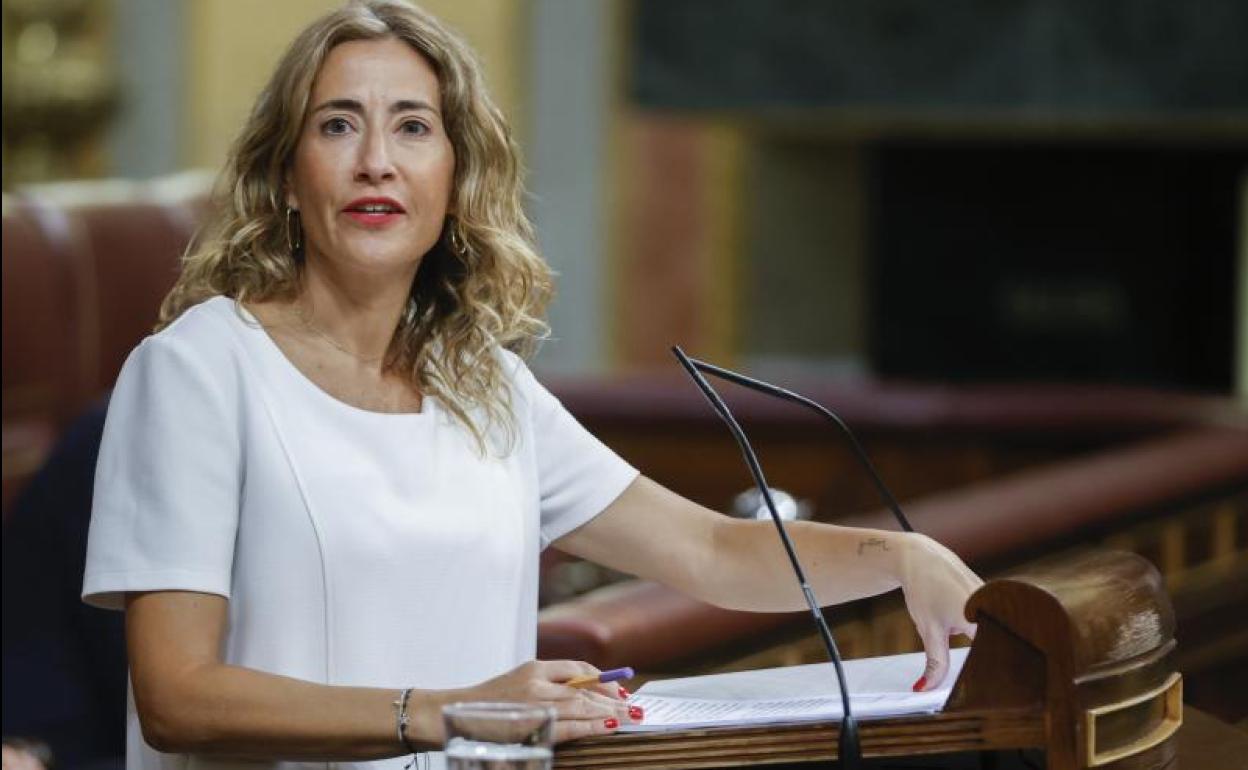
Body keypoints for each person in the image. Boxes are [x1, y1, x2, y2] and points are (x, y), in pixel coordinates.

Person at [82, 2, 982, 768]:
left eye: (413, 127)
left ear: (454, 178)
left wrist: (900, 558)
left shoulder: (485, 384)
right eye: (337, 124)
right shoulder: (196, 371)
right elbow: (177, 695)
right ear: (286, 175)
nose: (376, 162)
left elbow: (709, 553)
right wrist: (456, 709)